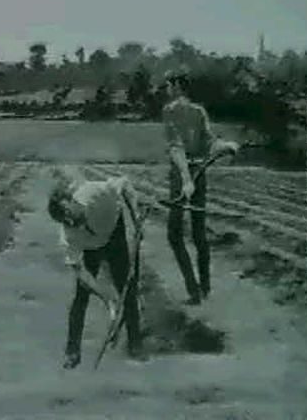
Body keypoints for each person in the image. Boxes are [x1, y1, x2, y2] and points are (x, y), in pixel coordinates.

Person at [48, 174, 145, 369]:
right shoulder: (69, 235)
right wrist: (106, 296)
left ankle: (135, 345)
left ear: (71, 199)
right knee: (80, 298)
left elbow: (125, 183)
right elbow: (81, 272)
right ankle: (72, 352)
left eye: (68, 213)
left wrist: (136, 219)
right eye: (65, 220)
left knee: (128, 289)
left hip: (114, 232)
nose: (71, 221)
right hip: (91, 246)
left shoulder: (96, 192)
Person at [162, 69, 239, 304]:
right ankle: (204, 288)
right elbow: (210, 140)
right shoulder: (199, 111)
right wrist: (226, 145)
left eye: (168, 85)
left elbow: (176, 147)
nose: (167, 90)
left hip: (182, 175)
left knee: (174, 235)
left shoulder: (170, 111)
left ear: (176, 86)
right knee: (198, 233)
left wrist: (185, 180)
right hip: (199, 172)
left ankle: (195, 291)